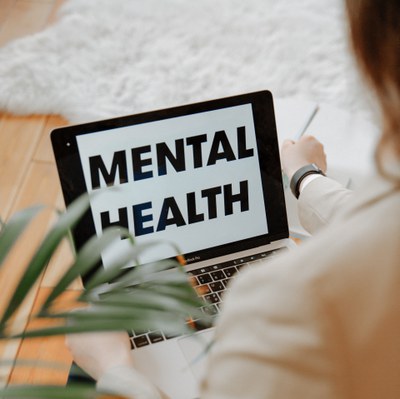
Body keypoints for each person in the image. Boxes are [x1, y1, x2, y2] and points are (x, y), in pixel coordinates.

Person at [67, 0, 400, 397]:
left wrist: (115, 371)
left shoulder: (286, 301)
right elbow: (380, 227)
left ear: (369, 54)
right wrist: (306, 179)